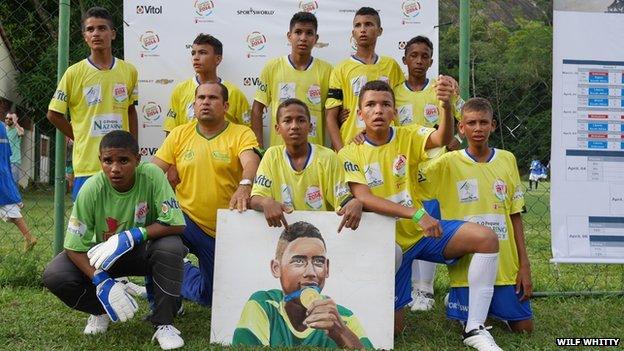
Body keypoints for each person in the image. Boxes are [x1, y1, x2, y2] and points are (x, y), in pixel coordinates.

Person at [339, 80, 503, 351]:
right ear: (360, 114)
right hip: (388, 246)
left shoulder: (408, 135)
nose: (378, 110)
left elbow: (440, 138)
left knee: (486, 238)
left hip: (423, 235)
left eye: (385, 104)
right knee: (393, 331)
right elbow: (365, 197)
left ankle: (474, 328)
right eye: (370, 104)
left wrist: (446, 105)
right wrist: (416, 214)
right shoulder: (349, 151)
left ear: (394, 111)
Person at [42, 131, 187, 350]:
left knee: (171, 246)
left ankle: (164, 324)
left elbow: (176, 223)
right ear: (100, 160)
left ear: (138, 160)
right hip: (106, 256)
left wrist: (134, 235)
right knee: (55, 274)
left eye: (124, 160)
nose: (115, 168)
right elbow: (73, 246)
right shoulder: (91, 188)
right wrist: (100, 279)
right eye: (108, 161)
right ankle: (101, 310)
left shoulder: (152, 175)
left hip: (142, 251)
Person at [420, 97, 534, 333]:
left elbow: (515, 215)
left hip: (506, 266)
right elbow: (414, 174)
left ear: (493, 125)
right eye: (471, 123)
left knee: (525, 329)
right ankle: (457, 298)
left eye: (484, 122)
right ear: (461, 128)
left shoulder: (507, 159)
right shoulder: (447, 162)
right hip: (468, 268)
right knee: (478, 325)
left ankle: (492, 304)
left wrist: (524, 265)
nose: (478, 128)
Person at [153, 82, 260, 307]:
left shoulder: (241, 133)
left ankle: (182, 273)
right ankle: (162, 302)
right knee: (156, 241)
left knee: (208, 297)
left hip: (223, 228)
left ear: (225, 105)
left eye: (212, 98)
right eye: (201, 98)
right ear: (194, 103)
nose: (205, 102)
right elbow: (152, 172)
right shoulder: (179, 134)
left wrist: (245, 184)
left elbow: (250, 160)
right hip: (185, 219)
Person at [393, 35, 464, 312]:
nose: (419, 61)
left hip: (436, 167)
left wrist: (457, 137)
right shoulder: (396, 91)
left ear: (431, 61)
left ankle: (425, 290)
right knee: (411, 218)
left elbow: (464, 116)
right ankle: (410, 287)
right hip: (406, 165)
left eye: (425, 56)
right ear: (405, 59)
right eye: (414, 55)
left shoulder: (443, 89)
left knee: (432, 217)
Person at [232, 221, 373, 348]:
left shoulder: (344, 317)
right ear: (276, 268)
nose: (311, 272)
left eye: (318, 261)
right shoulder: (263, 306)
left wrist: (342, 334)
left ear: (327, 268)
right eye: (299, 261)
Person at [47, 6, 138, 201]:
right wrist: (77, 135)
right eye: (90, 29)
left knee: (121, 223)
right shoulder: (73, 73)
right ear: (85, 36)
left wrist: (133, 146)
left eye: (102, 28)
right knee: (86, 227)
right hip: (87, 164)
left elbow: (131, 110)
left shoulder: (129, 71)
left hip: (121, 164)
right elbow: (53, 114)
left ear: (112, 34)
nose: (96, 33)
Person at [249, 98, 362, 232]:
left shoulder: (328, 157)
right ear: (277, 129)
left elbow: (343, 201)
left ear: (310, 127)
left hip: (322, 234)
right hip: (283, 235)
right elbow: (255, 199)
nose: (294, 126)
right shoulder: (271, 155)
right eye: (287, 120)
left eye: (301, 120)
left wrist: (355, 202)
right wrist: (265, 202)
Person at [325, 7, 404, 151]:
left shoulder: (391, 66)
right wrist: (341, 150)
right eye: (358, 25)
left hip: (387, 144)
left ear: (380, 31)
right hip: (352, 143)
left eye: (368, 24)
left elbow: (406, 96)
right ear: (353, 33)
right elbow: (331, 116)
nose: (362, 29)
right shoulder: (341, 69)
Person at [250, 12, 333, 148]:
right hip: (279, 153)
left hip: (315, 153)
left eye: (309, 33)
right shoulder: (272, 67)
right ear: (289, 36)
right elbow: (257, 109)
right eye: (298, 32)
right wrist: (258, 147)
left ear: (316, 38)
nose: (303, 38)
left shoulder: (328, 71)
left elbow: (333, 114)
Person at [0, 121, 37, 251]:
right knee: (9, 206)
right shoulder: (2, 127)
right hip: (3, 169)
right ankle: (28, 237)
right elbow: (8, 152)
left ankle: (29, 237)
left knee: (9, 207)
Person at [5, 112, 24, 185]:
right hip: (4, 160)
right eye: (6, 118)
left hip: (14, 160)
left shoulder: (18, 129)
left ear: (16, 119)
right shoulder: (3, 129)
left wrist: (15, 123)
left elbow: (21, 133)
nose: (8, 120)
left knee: (13, 183)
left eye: (10, 118)